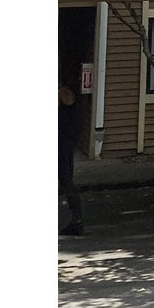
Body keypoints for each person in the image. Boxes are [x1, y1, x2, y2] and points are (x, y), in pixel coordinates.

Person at [59, 80, 85, 236]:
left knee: (66, 181)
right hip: (64, 142)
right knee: (66, 181)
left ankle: (77, 221)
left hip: (63, 144)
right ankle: (76, 220)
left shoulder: (66, 94)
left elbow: (68, 99)